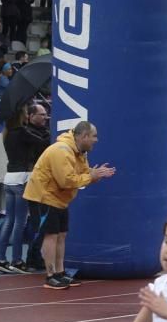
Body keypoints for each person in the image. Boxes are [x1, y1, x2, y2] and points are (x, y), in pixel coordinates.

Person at [23, 121, 115, 289]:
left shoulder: (80, 152)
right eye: (94, 136)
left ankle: (60, 272)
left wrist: (94, 174)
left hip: (59, 199)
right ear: (84, 136)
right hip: (44, 197)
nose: (97, 140)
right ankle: (50, 275)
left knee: (61, 234)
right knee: (50, 235)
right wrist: (91, 176)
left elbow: (82, 174)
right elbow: (66, 180)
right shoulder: (62, 151)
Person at [0, 103, 49, 274]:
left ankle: (1, 258)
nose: (27, 115)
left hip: (9, 177)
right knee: (20, 221)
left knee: (9, 220)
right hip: (22, 178)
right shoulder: (22, 132)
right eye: (25, 113)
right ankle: (16, 260)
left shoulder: (7, 133)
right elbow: (42, 143)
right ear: (21, 115)